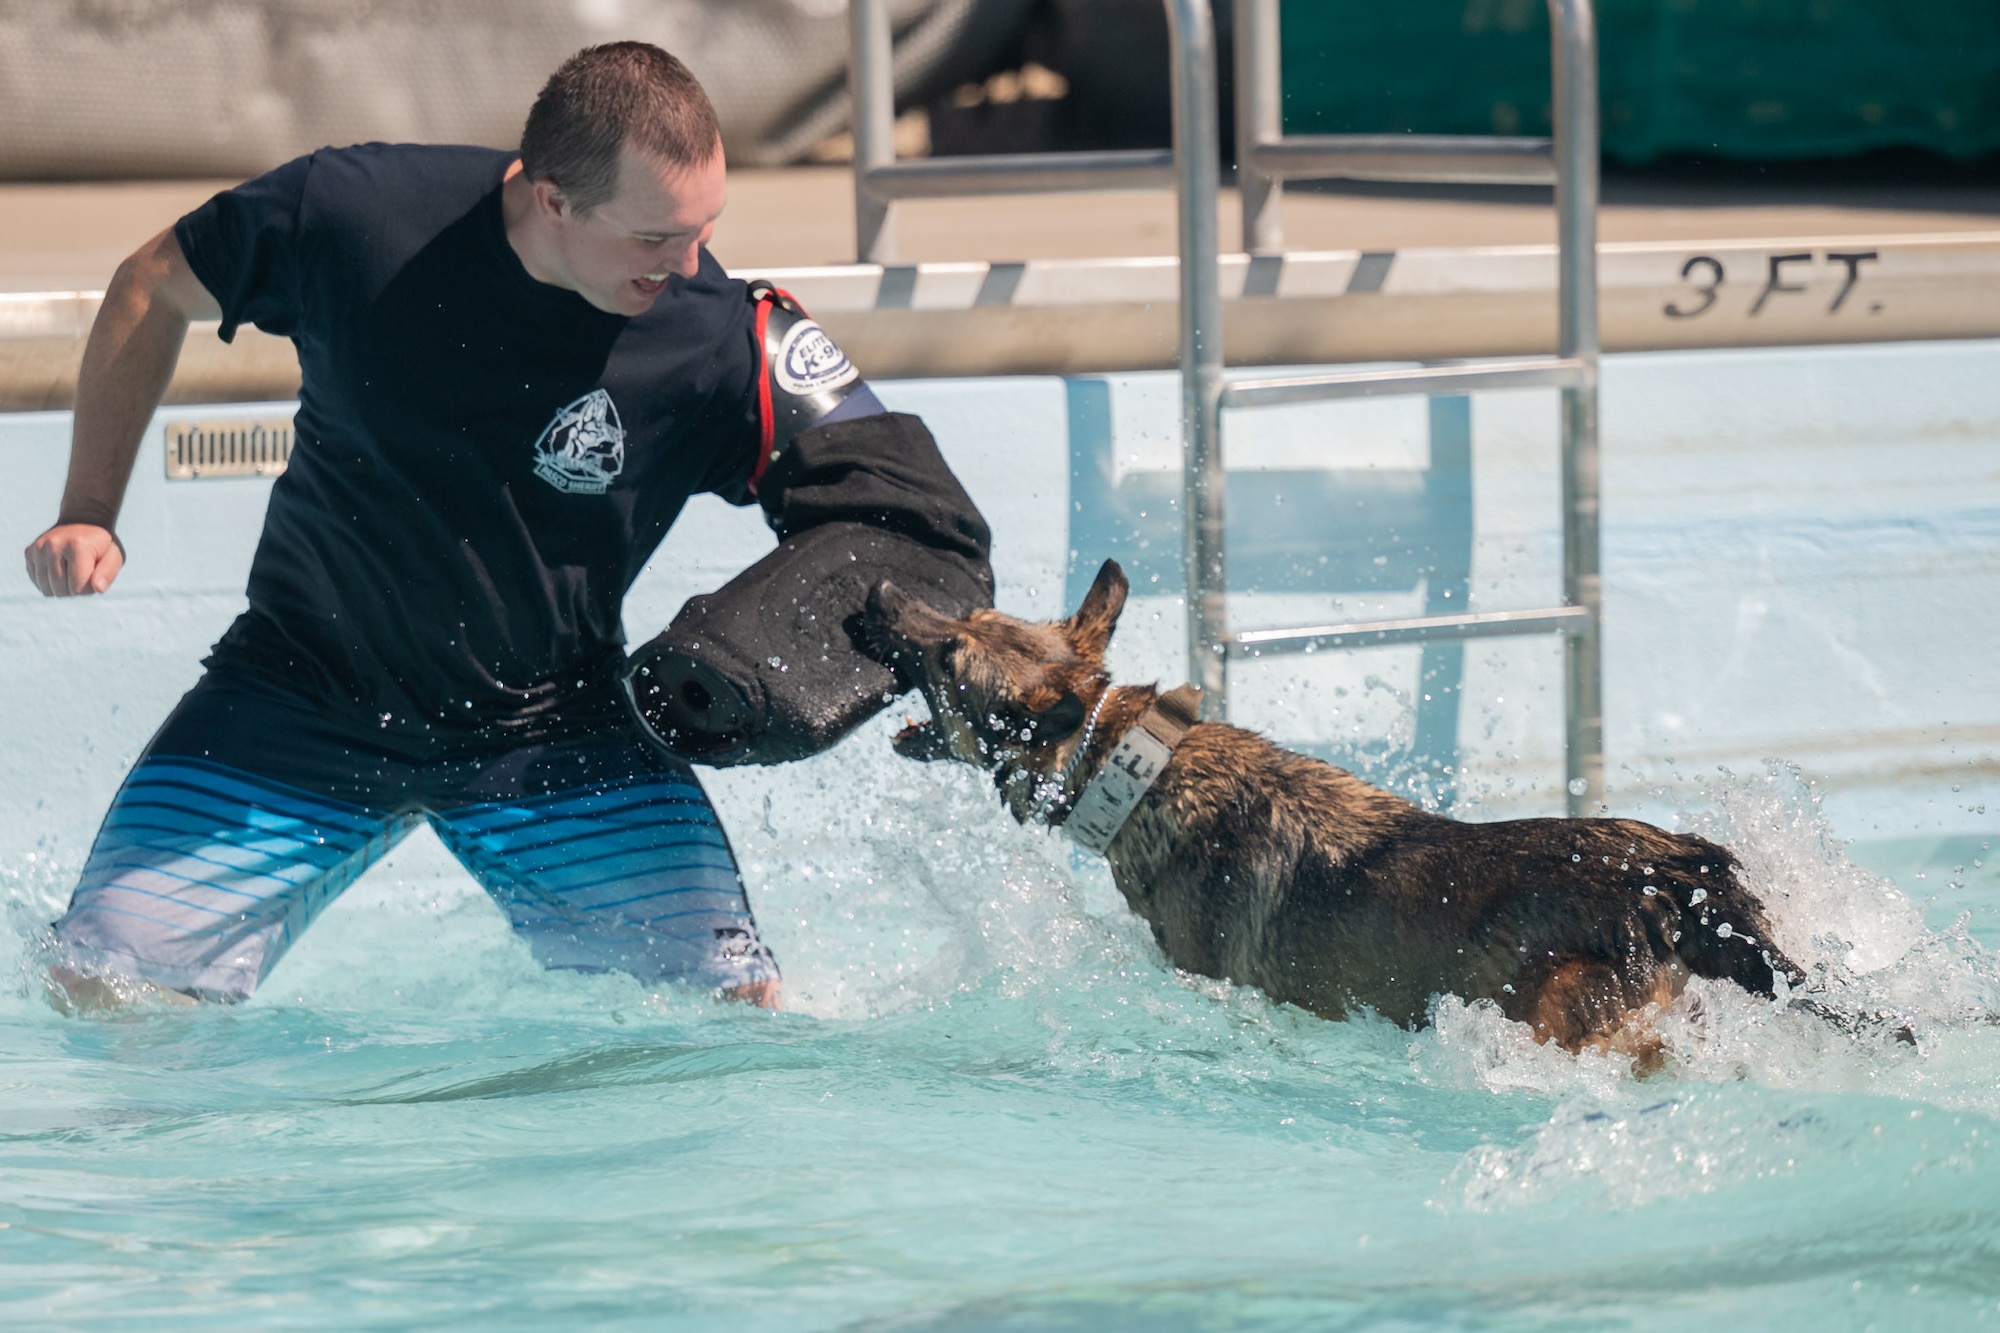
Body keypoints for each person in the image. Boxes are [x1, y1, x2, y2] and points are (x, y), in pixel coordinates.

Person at [19, 43, 874, 1010]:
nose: (688, 266)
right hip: (302, 702)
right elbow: (154, 281)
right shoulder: (355, 218)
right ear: (553, 199)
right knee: (98, 992)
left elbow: (876, 505)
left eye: (705, 228)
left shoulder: (709, 332)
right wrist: (89, 508)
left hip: (549, 732)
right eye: (654, 239)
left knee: (736, 1015)